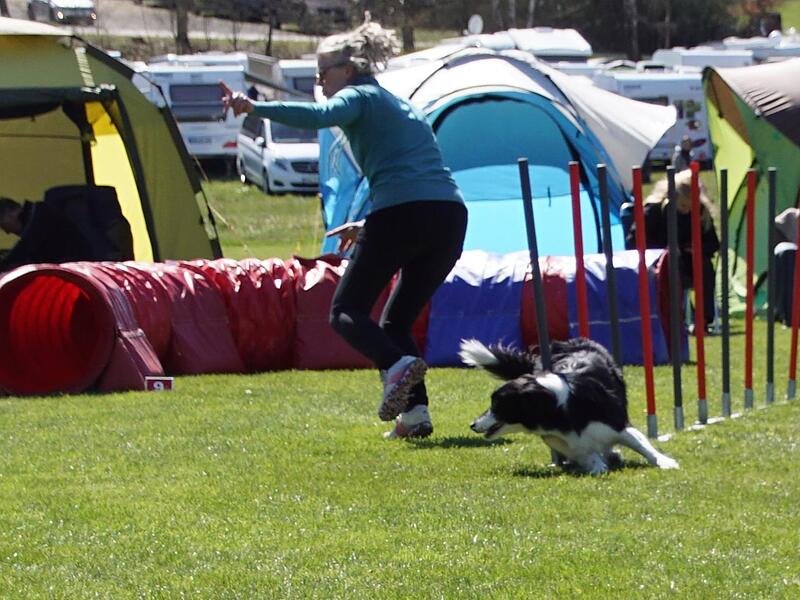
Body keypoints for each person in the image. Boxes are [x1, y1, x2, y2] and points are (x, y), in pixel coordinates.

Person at [222, 18, 468, 440]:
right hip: (448, 217)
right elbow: (412, 172)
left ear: (349, 68)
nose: (319, 79)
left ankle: (397, 367)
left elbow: (320, 116)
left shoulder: (358, 96)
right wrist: (371, 219)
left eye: (324, 70)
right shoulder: (400, 104)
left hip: (406, 212)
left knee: (344, 311)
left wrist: (254, 107)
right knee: (395, 322)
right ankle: (414, 415)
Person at [625, 169, 719, 333]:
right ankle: (672, 318)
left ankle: (703, 320)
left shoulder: (701, 213)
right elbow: (634, 241)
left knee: (705, 267)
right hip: (658, 264)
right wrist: (663, 251)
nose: (687, 210)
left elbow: (713, 243)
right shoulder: (653, 211)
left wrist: (696, 248)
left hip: (690, 262)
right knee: (672, 262)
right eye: (683, 205)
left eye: (691, 207)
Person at [0, 196, 95, 272]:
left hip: (76, 273)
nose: (7, 232)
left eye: (2, 225)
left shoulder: (41, 215)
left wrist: (4, 264)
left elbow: (25, 248)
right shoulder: (40, 214)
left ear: (11, 214)